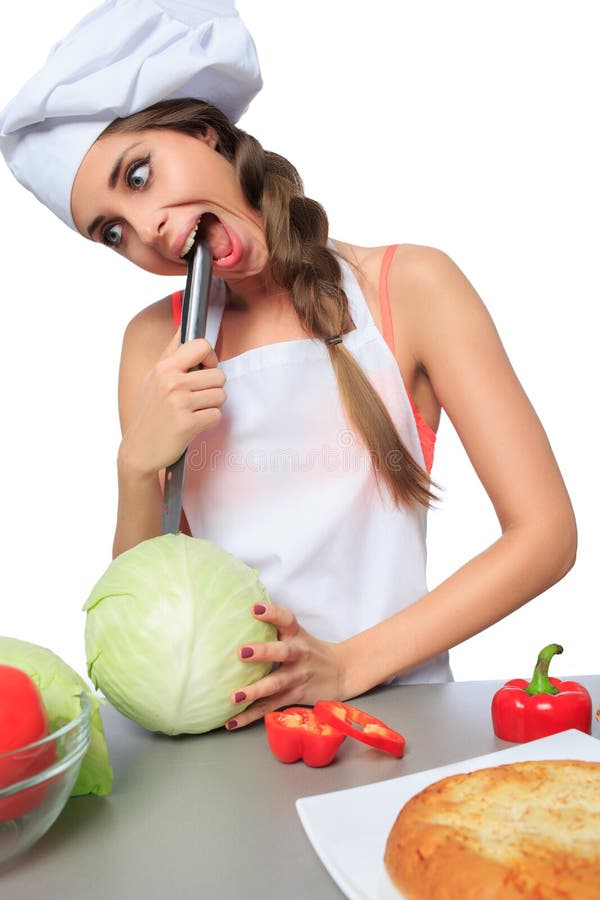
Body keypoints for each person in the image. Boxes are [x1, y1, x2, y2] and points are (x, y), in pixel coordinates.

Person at [0, 0, 576, 731]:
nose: (145, 232)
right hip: (230, 729)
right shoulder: (153, 342)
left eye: (138, 174)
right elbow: (147, 593)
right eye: (111, 232)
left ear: (203, 131)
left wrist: (348, 663)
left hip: (396, 721)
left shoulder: (410, 289)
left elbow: (545, 534)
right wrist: (135, 467)